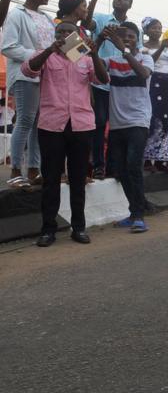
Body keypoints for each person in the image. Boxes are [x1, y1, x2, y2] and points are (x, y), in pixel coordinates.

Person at [23, 20, 109, 246]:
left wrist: (95, 53)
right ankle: (48, 230)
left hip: (81, 125)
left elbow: (103, 79)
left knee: (78, 179)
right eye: (59, 31)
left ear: (78, 35)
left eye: (68, 32)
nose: (62, 35)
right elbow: (28, 69)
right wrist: (50, 50)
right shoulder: (46, 54)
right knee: (51, 179)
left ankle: (78, 228)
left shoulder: (84, 56)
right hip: (52, 125)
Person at [102, 22, 154, 233]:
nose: (127, 39)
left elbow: (143, 74)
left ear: (137, 39)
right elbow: (86, 62)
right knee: (121, 170)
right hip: (116, 124)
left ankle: (140, 215)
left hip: (138, 121)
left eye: (131, 36)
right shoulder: (110, 61)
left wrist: (124, 51)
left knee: (133, 166)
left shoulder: (145, 57)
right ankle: (134, 212)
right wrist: (99, 40)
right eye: (123, 37)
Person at [2, 0, 50, 189]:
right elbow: (8, 46)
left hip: (46, 77)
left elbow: (56, 47)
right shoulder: (17, 14)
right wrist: (37, 57)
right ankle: (15, 171)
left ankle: (33, 169)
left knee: (38, 124)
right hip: (24, 75)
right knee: (24, 121)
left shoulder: (48, 18)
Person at [86, 0, 135, 179]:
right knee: (98, 123)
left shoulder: (131, 28)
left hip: (120, 84)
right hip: (99, 81)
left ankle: (114, 166)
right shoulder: (101, 18)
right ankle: (98, 165)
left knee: (116, 126)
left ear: (130, 4)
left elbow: (135, 53)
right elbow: (87, 22)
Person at [142, 20, 168, 172]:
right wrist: (161, 48)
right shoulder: (144, 48)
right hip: (154, 83)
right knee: (154, 119)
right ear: (146, 30)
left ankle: (163, 159)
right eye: (154, 28)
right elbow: (149, 62)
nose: (158, 30)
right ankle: (148, 160)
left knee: (167, 120)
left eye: (160, 28)